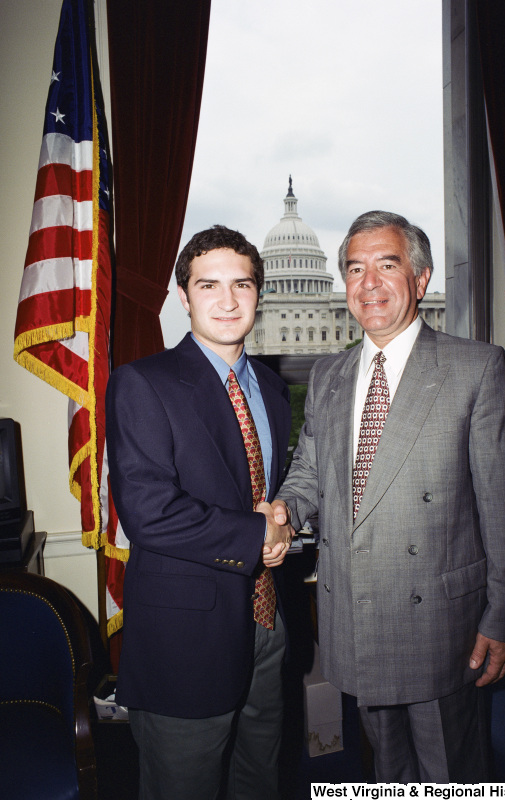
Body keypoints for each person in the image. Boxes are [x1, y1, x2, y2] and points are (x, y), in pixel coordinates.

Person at [271, 211, 505, 783]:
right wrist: (285, 510)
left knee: (447, 772)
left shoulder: (475, 368)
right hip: (357, 613)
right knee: (386, 769)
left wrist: (504, 616)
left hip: (443, 621)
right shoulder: (329, 376)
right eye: (356, 269)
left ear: (420, 277)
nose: (369, 284)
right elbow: (310, 472)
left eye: (387, 266)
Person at [106, 225, 294, 800]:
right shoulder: (143, 382)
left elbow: (267, 493)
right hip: (185, 634)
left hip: (268, 621)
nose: (229, 300)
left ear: (260, 294)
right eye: (208, 284)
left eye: (242, 284)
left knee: (258, 776)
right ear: (182, 296)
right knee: (182, 786)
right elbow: (148, 512)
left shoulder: (270, 384)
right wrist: (258, 530)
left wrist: (281, 525)